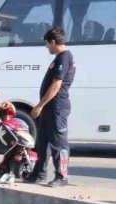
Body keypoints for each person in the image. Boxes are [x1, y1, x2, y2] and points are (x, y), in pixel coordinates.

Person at [26, 27, 76, 187]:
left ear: (53, 42)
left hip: (57, 107)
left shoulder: (64, 57)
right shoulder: (60, 58)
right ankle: (38, 173)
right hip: (50, 108)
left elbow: (56, 85)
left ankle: (62, 176)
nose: (47, 47)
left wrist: (40, 106)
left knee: (58, 143)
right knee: (43, 143)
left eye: (47, 44)